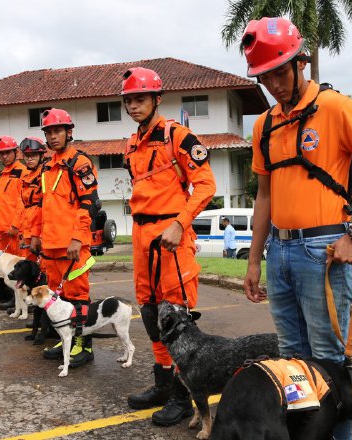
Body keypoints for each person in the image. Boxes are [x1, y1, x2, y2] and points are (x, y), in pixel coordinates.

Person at [240, 17, 352, 440]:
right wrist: (255, 260)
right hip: (280, 250)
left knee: (329, 363)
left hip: (324, 249)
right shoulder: (265, 124)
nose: (273, 83)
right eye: (264, 76)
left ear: (302, 64)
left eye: (279, 71)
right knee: (293, 365)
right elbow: (264, 196)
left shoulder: (336, 108)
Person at [120, 67, 216, 427]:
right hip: (142, 235)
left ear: (157, 99)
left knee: (177, 319)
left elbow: (206, 185)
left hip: (172, 236)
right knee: (149, 313)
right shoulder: (131, 143)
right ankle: (162, 384)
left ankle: (183, 398)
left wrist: (180, 222)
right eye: (128, 100)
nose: (133, 105)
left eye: (140, 99)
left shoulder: (179, 136)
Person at [30, 108, 99, 368]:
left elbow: (89, 203)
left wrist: (77, 239)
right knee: (60, 299)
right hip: (50, 245)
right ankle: (67, 339)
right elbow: (41, 206)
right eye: (48, 132)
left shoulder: (79, 163)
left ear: (69, 132)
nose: (53, 136)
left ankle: (84, 345)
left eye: (58, 130)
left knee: (79, 298)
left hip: (72, 246)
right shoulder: (47, 166)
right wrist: (36, 235)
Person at [0, 136, 27, 255]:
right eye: (1, 154)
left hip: (17, 231)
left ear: (16, 152)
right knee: (4, 269)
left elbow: (22, 201)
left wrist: (15, 226)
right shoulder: (0, 176)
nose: (5, 156)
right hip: (2, 232)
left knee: (19, 268)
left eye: (8, 152)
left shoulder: (23, 172)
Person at [16, 137, 48, 261]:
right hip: (27, 228)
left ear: (41, 156)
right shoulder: (26, 177)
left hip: (41, 229)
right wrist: (22, 233)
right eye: (27, 156)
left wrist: (37, 234)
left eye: (33, 155)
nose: (29, 159)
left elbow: (44, 206)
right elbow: (24, 207)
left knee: (44, 266)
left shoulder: (45, 175)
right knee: (30, 265)